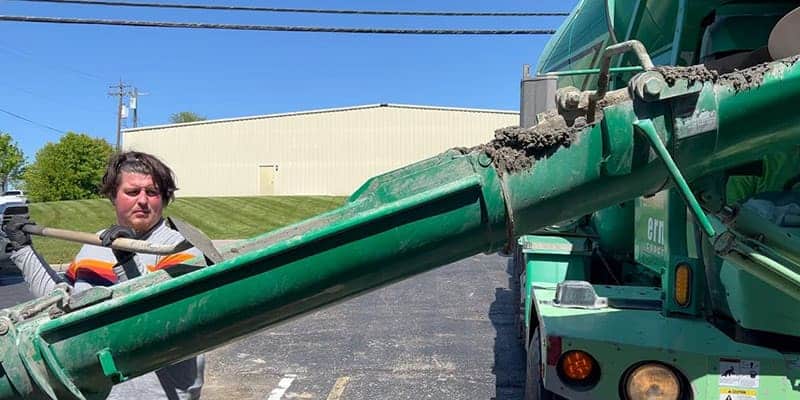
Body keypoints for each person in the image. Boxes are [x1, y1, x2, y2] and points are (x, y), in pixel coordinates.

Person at [2, 151, 206, 400]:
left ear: (164, 199)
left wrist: (127, 258)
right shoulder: (94, 245)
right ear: (113, 197)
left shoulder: (180, 247)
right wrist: (22, 249)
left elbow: (162, 317)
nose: (143, 200)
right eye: (132, 192)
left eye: (152, 192)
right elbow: (59, 306)